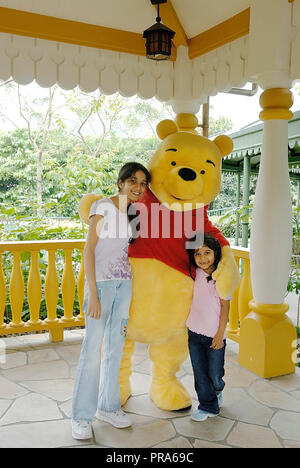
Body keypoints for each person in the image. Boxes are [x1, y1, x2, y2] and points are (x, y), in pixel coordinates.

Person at [72, 162, 151, 440]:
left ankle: (108, 407)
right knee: (92, 350)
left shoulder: (133, 214)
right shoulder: (102, 207)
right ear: (120, 182)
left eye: (143, 183)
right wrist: (92, 293)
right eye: (133, 181)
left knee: (115, 348)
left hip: (124, 284)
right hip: (102, 286)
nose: (138, 188)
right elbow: (89, 250)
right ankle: (81, 416)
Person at [186, 233, 231, 422]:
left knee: (215, 374)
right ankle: (208, 406)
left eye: (207, 253)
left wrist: (220, 334)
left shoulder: (221, 277)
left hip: (214, 335)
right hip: (194, 332)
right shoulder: (193, 273)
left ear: (215, 253)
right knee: (200, 372)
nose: (202, 258)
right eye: (197, 254)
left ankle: (218, 388)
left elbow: (225, 307)